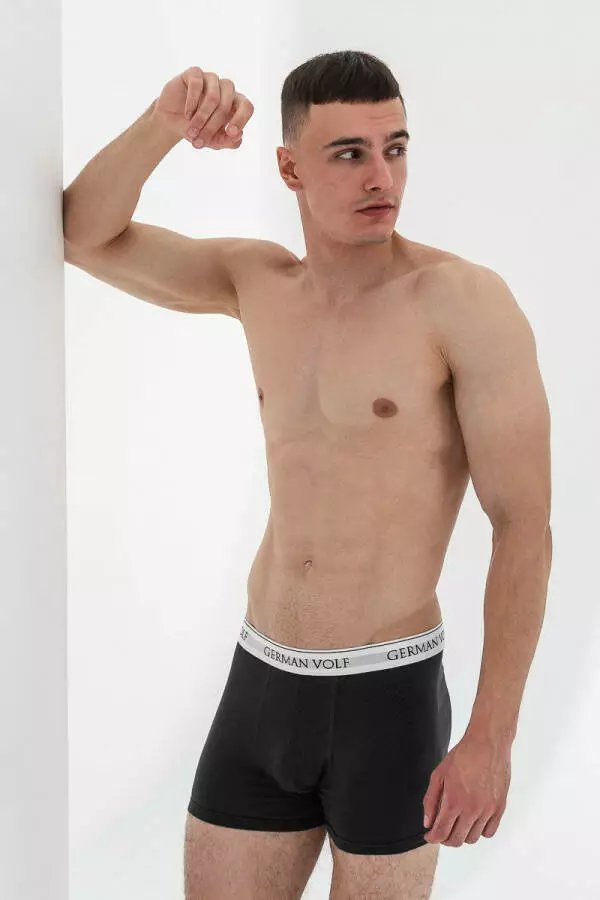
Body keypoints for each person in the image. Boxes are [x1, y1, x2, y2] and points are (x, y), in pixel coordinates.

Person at [63, 50, 553, 900]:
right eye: (349, 153)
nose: (381, 176)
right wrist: (164, 124)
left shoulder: (462, 302)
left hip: (389, 695)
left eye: (394, 148)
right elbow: (82, 234)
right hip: (261, 685)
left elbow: (523, 527)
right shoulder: (257, 281)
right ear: (289, 168)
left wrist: (492, 737)